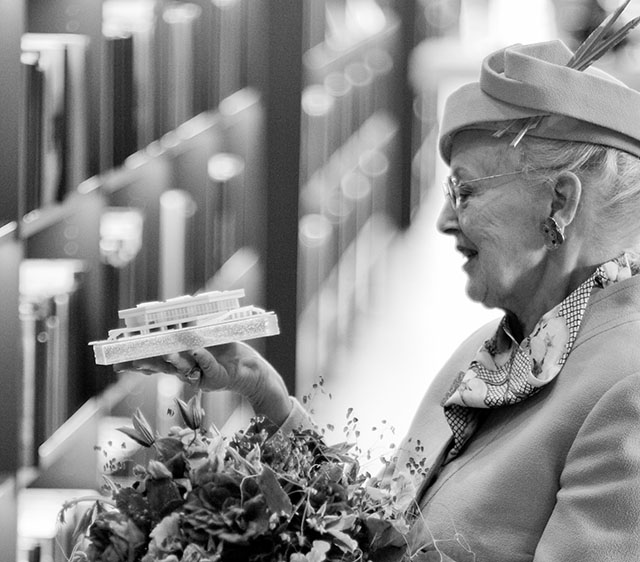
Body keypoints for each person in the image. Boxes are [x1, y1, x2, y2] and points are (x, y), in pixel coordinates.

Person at [117, 29, 640, 562]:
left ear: (560, 198)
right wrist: (264, 392)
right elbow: (384, 528)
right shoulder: (503, 346)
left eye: (465, 190)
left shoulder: (628, 391)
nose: (443, 220)